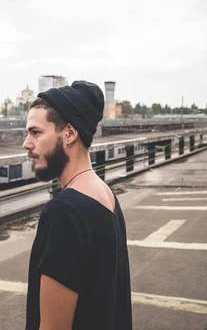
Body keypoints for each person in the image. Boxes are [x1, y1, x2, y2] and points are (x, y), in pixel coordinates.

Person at [23, 80, 132, 330]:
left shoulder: (63, 213)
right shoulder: (107, 197)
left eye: (35, 132)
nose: (26, 144)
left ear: (70, 134)